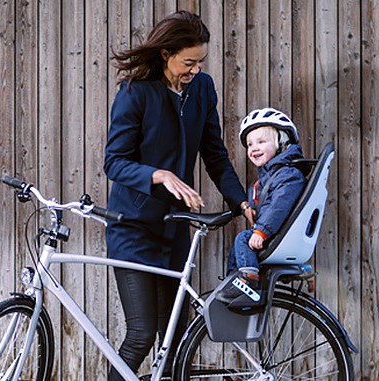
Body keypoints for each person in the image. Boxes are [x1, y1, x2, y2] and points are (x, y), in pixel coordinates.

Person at [103, 10, 252, 380]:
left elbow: (215, 154)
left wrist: (241, 201)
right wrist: (158, 174)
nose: (195, 70)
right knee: (141, 335)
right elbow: (114, 162)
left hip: (175, 231)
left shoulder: (202, 89)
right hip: (133, 230)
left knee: (175, 343)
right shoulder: (135, 92)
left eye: (200, 62)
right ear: (167, 54)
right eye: (189, 62)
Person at [214, 107, 307, 304]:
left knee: (243, 239)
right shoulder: (272, 175)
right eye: (249, 144)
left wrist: (261, 231)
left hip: (277, 234)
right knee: (238, 248)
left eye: (261, 141)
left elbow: (279, 207)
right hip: (273, 232)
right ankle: (233, 281)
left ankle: (247, 280)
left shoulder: (288, 175)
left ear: (281, 142)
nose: (254, 148)